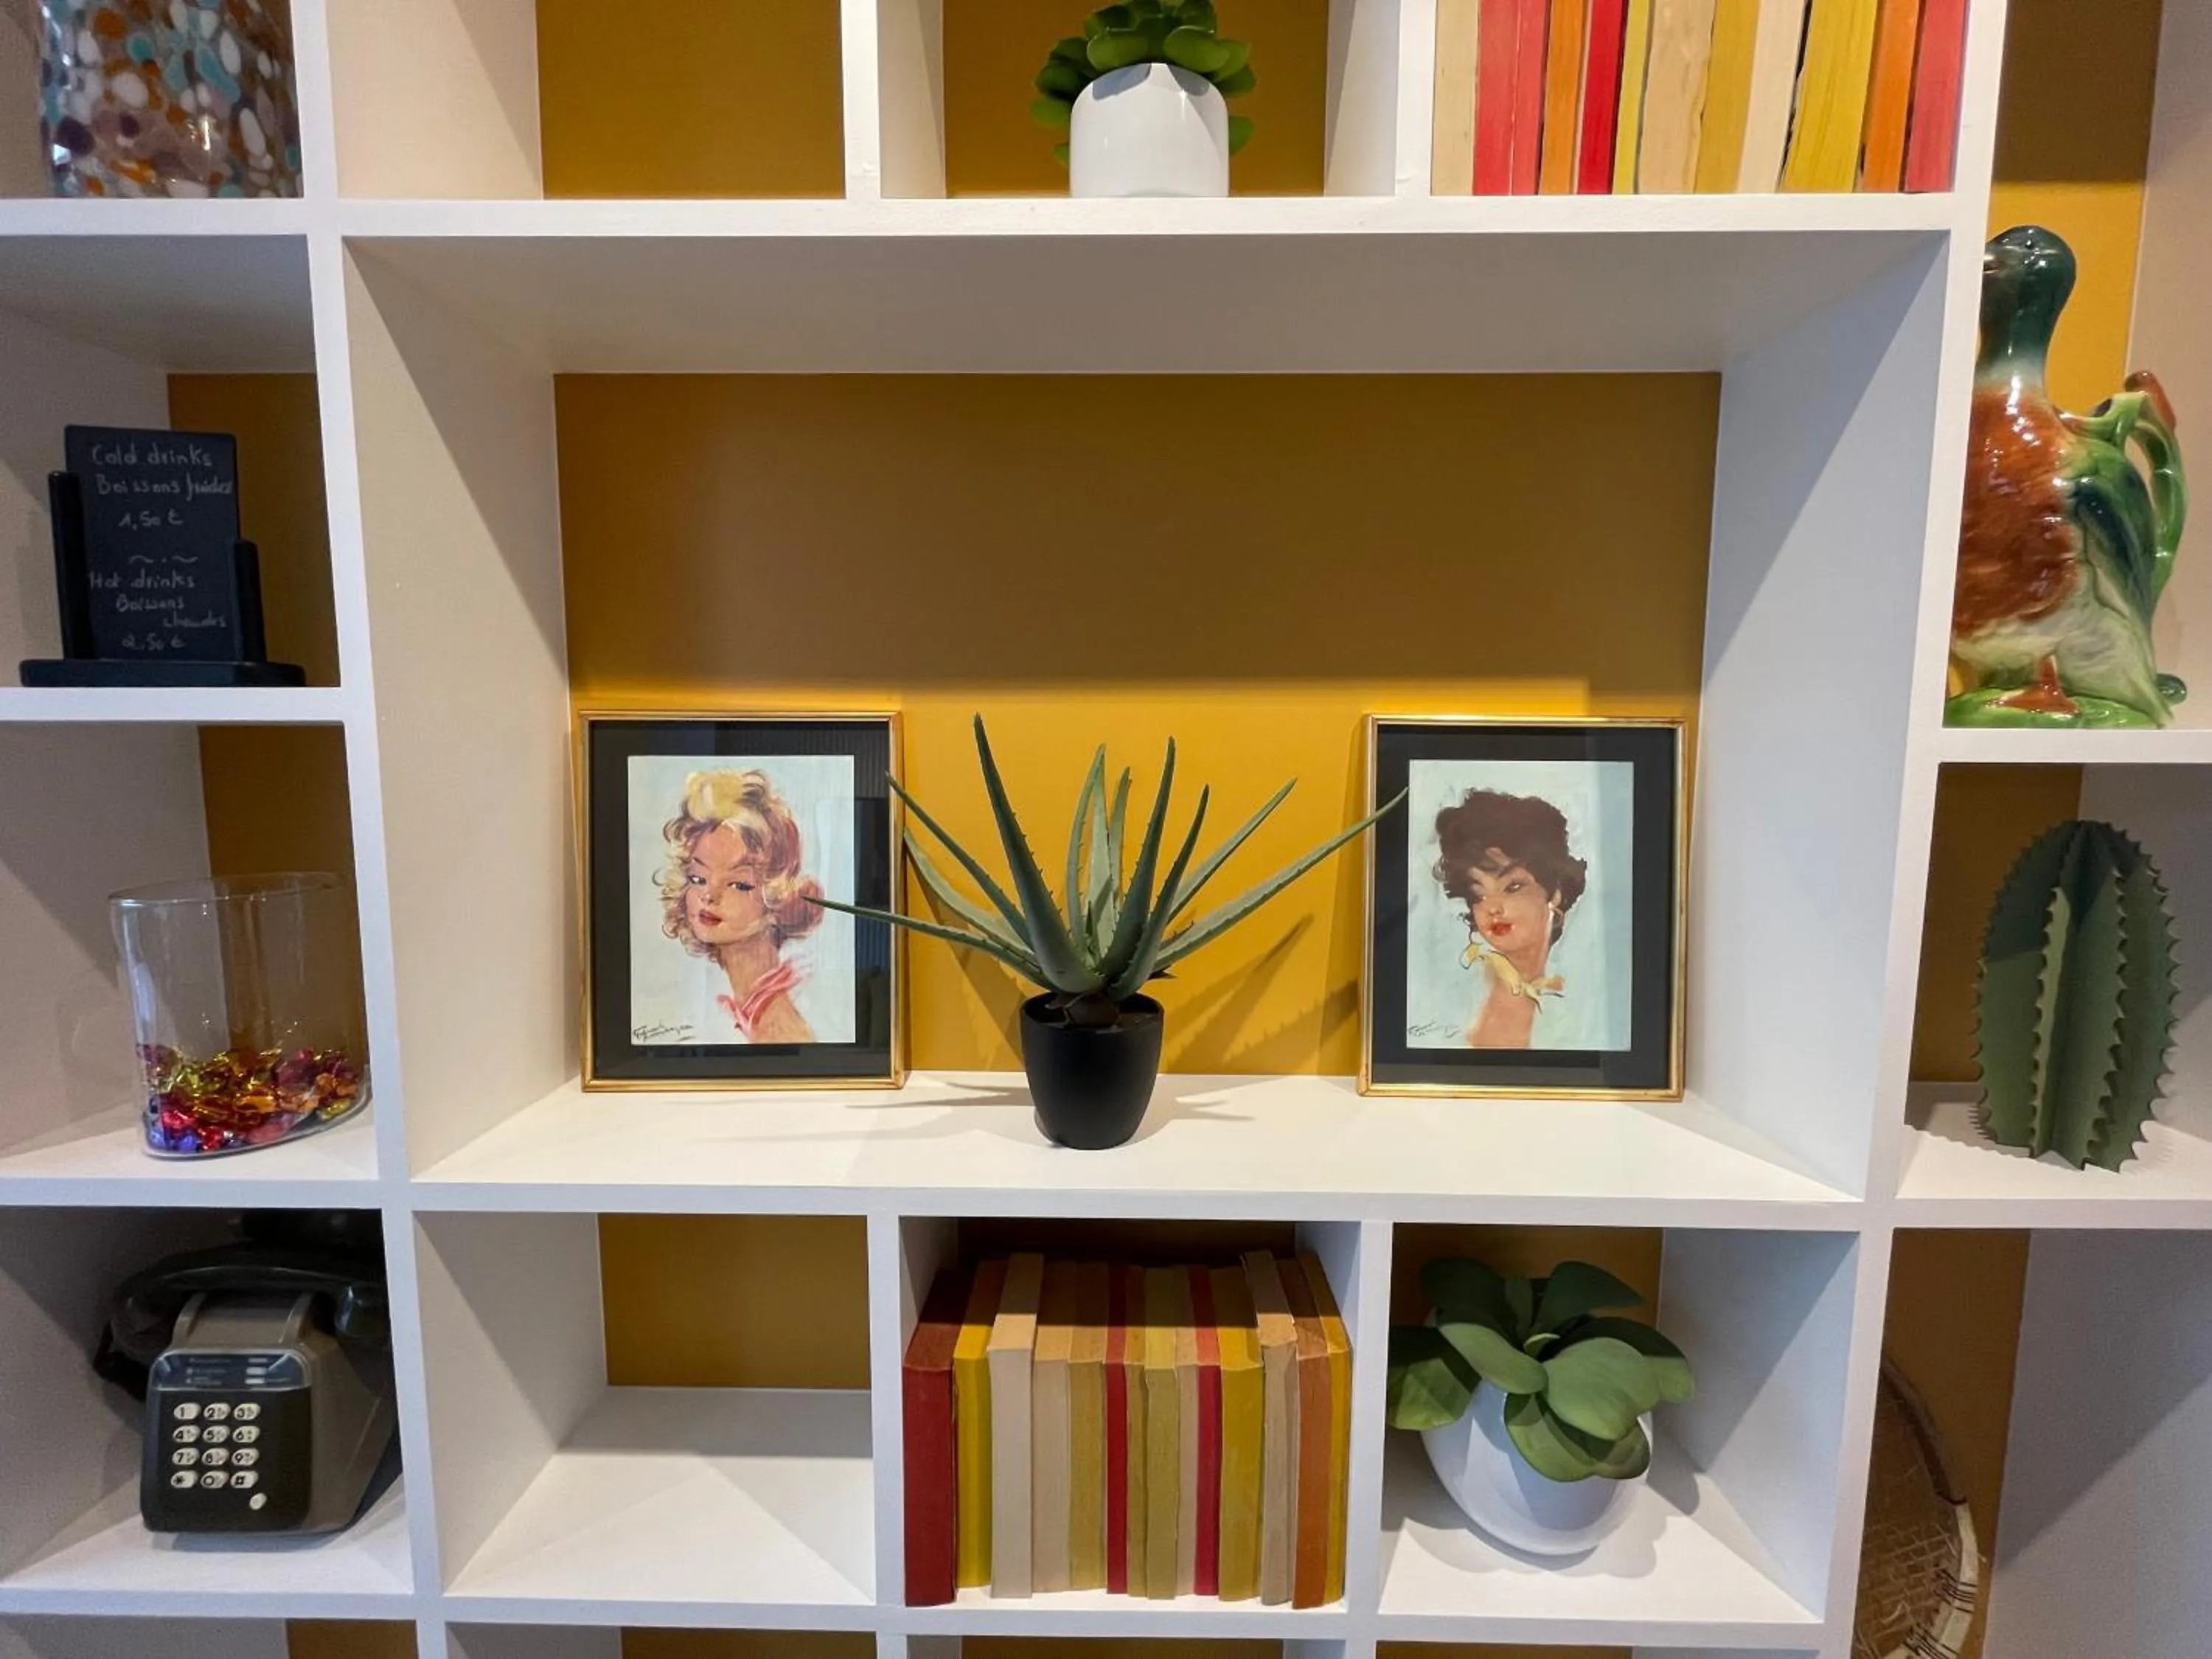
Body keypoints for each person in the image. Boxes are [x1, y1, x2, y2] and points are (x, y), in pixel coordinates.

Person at [658, 770, 824, 1043]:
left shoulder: (777, 1027)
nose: (708, 895)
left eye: (739, 884)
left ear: (777, 895)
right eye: (698, 879)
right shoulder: (746, 1007)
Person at [1432, 787, 1589, 1050]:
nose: (1492, 908)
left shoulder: (1583, 999)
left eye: (1512, 887)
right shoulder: (1454, 994)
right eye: (1478, 895)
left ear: (1556, 893)